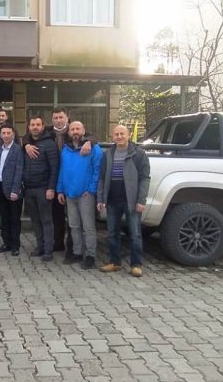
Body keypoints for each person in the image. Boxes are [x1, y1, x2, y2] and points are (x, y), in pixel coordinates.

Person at [24, 108, 95, 256]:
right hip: (54, 179)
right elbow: (28, 136)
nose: (58, 120)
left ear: (67, 118)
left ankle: (72, 247)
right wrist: (26, 145)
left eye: (61, 117)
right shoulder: (48, 132)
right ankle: (57, 244)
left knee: (72, 218)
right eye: (55, 118)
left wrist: (89, 142)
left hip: (70, 178)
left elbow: (90, 136)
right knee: (56, 215)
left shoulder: (73, 130)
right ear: (51, 120)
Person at [97, 125, 151, 277]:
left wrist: (141, 200)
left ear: (129, 135)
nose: (119, 136)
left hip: (131, 201)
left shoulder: (138, 154)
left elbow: (145, 178)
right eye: (116, 134)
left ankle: (136, 265)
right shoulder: (108, 154)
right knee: (112, 233)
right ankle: (115, 262)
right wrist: (100, 198)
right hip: (112, 200)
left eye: (122, 134)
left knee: (135, 234)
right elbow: (102, 178)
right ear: (112, 137)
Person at [56, 121, 102, 270]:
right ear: (69, 132)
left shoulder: (94, 149)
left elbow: (97, 171)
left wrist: (91, 190)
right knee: (74, 226)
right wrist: (60, 190)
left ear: (84, 130)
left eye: (78, 129)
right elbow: (62, 170)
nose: (75, 131)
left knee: (88, 227)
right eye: (72, 129)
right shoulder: (66, 150)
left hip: (85, 194)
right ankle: (77, 252)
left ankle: (90, 256)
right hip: (69, 194)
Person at [22, 116, 59, 261]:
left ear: (43, 126)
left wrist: (51, 188)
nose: (35, 127)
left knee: (46, 220)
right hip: (29, 189)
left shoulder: (50, 144)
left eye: (38, 124)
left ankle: (48, 250)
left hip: (44, 189)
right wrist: (26, 145)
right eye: (32, 125)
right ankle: (40, 246)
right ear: (29, 127)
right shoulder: (26, 143)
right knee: (35, 221)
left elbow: (55, 168)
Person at [0, 124, 24, 256]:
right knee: (4, 218)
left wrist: (15, 190)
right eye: (3, 133)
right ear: (0, 135)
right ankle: (6, 243)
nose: (5, 135)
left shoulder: (18, 150)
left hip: (13, 189)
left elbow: (19, 171)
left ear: (13, 135)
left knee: (14, 219)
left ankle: (15, 246)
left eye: (8, 133)